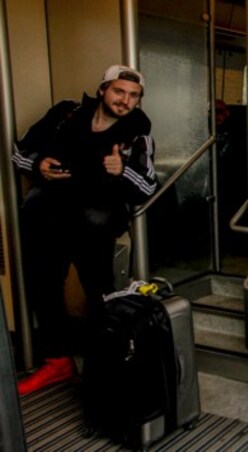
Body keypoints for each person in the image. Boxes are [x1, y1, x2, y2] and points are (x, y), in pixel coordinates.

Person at [13, 65, 156, 395]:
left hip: (95, 225)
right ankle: (57, 363)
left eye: (133, 96)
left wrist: (121, 171)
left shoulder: (138, 132)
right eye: (119, 91)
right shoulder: (66, 114)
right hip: (48, 218)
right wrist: (39, 166)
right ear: (103, 89)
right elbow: (19, 153)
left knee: (101, 296)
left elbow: (148, 186)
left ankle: (100, 371)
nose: (125, 100)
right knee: (44, 287)